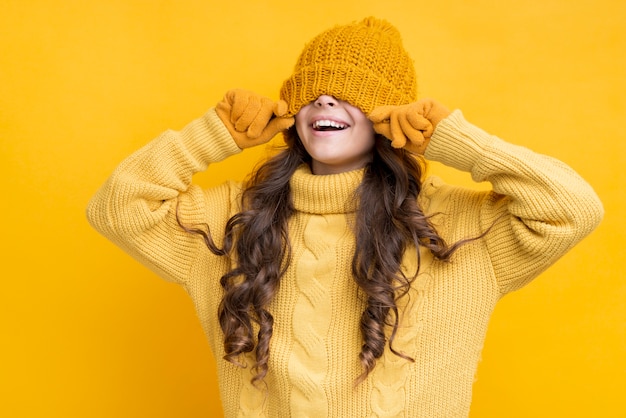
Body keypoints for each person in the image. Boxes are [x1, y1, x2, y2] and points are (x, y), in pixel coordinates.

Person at [87, 17, 603, 417]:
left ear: (387, 115)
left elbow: (573, 209)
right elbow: (116, 209)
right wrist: (211, 135)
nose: (326, 98)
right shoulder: (234, 217)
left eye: (351, 92)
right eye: (312, 91)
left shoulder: (451, 223)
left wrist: (457, 143)